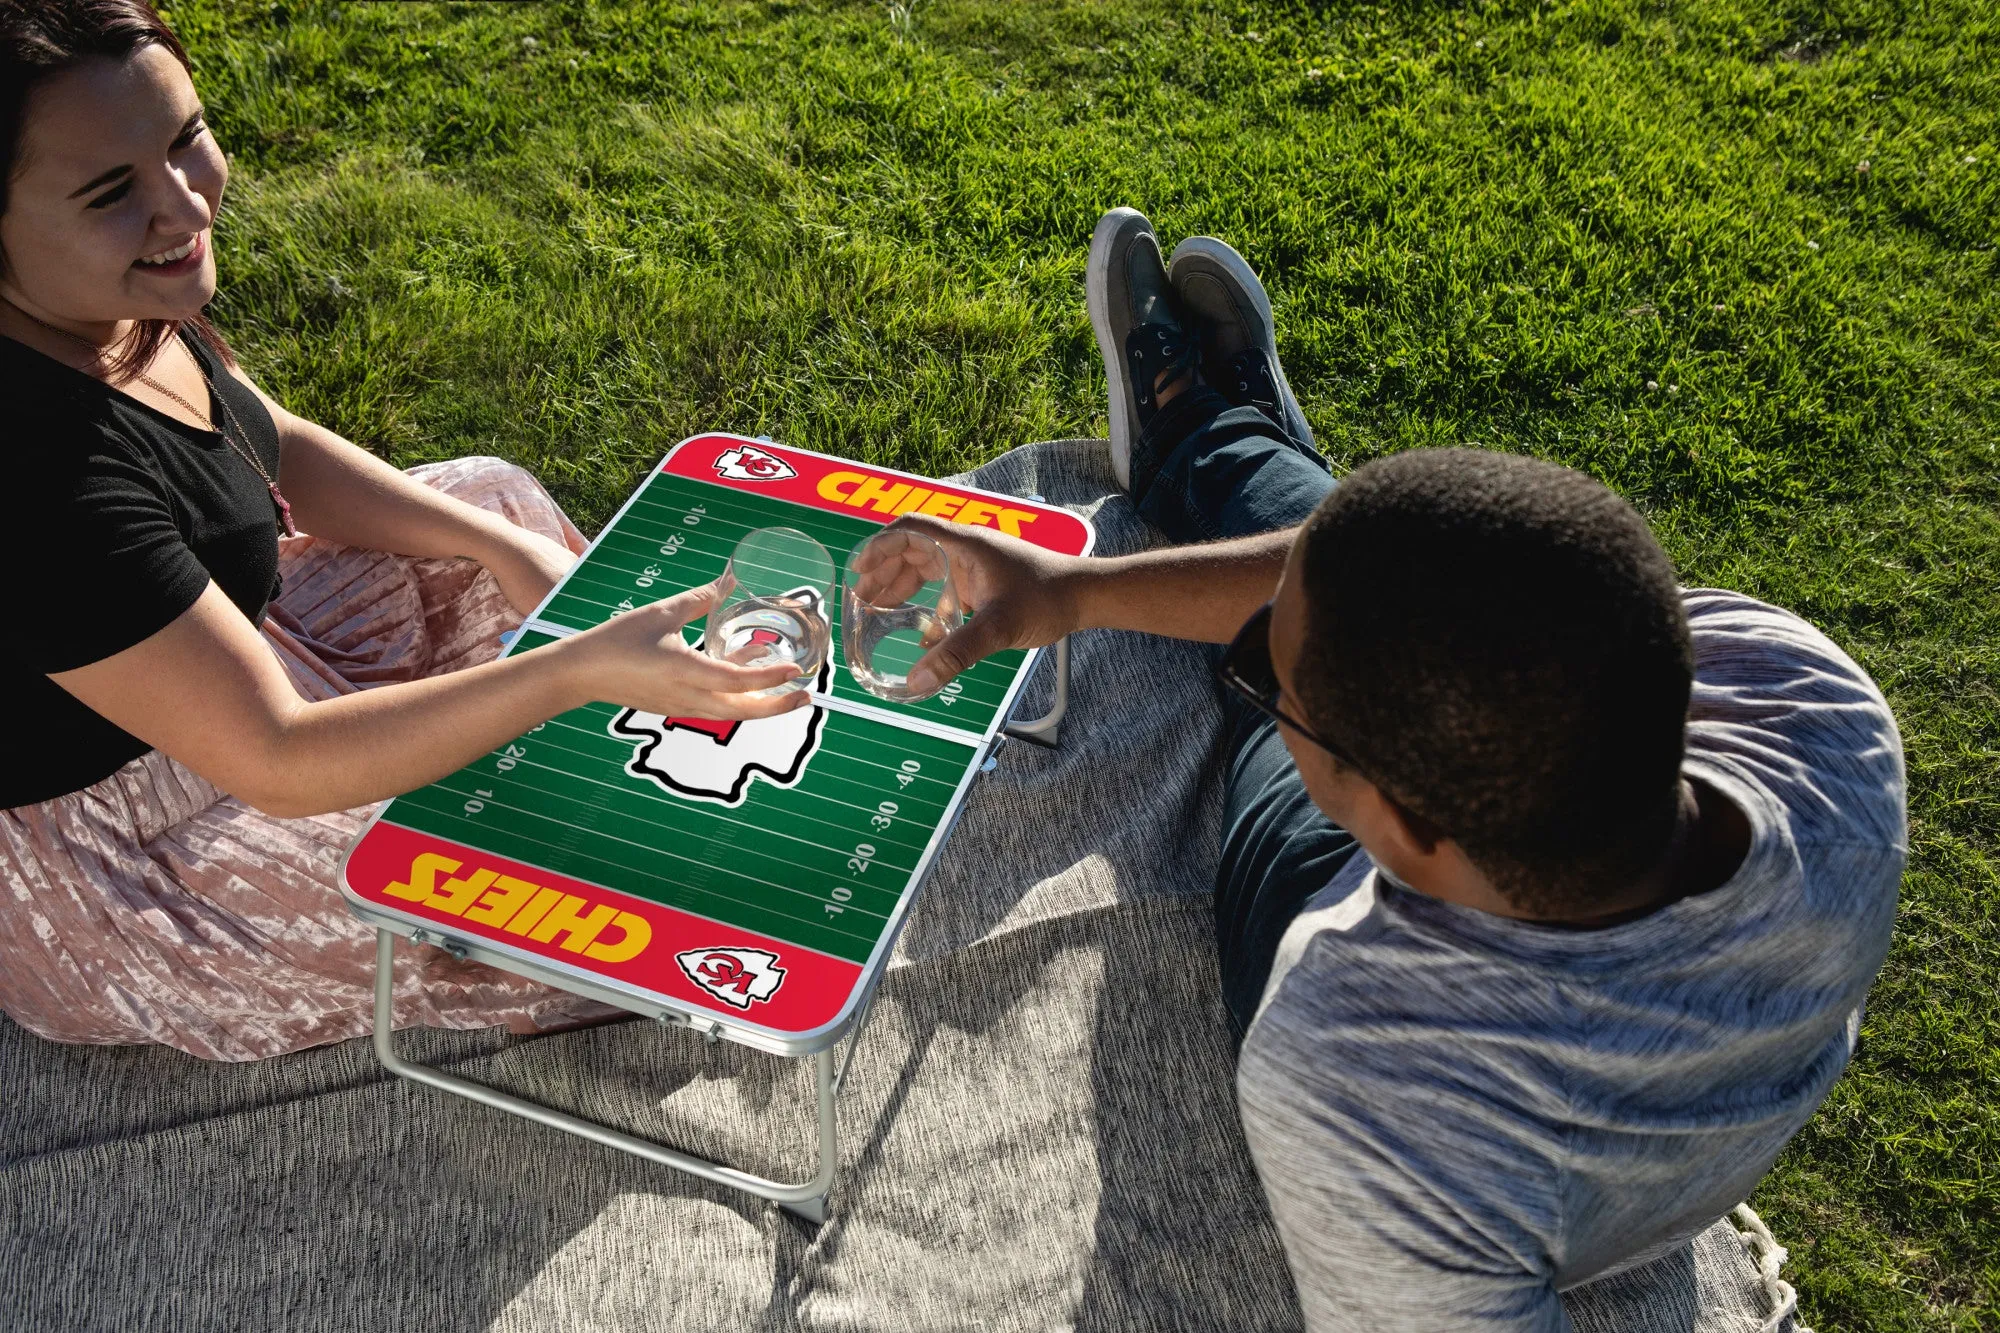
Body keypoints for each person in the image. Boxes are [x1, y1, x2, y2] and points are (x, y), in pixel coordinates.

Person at [893, 207, 1905, 1329]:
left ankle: (1214, 446)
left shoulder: (1360, 1072)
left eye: (1270, 686)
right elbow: (1463, 591)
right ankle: (1231, 450)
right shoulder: (1811, 700)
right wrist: (1066, 594)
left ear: (1398, 825)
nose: (1257, 686)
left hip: (1355, 935)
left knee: (1297, 687)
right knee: (1381, 574)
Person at [0, 0, 808, 1061]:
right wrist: (569, 672)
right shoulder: (36, 468)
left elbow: (267, 443)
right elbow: (279, 758)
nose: (184, 201)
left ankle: (607, 725)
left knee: (488, 500)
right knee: (576, 895)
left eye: (185, 137)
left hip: (244, 661)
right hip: (138, 855)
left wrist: (502, 550)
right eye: (113, 192)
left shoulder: (102, 302)